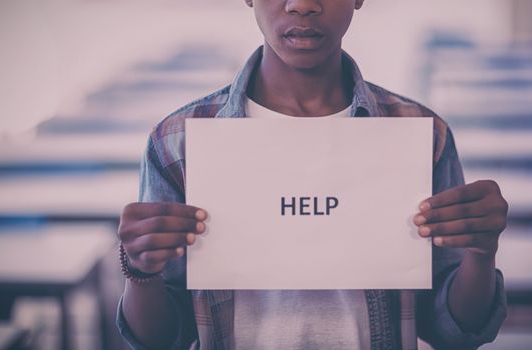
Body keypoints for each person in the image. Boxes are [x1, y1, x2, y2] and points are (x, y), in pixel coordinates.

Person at [116, 1, 508, 349]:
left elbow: (453, 332)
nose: (303, 4)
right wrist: (141, 271)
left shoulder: (421, 134)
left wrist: (480, 252)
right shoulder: (177, 142)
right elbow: (161, 339)